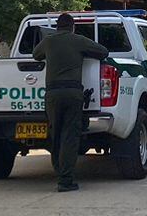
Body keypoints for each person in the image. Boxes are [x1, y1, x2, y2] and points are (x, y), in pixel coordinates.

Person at [33, 13, 108, 192]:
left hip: (52, 94)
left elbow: (36, 55)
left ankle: (59, 172)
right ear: (72, 27)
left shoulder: (49, 41)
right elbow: (103, 52)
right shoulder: (78, 40)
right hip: (73, 93)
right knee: (70, 135)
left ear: (57, 27)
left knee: (56, 134)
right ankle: (65, 180)